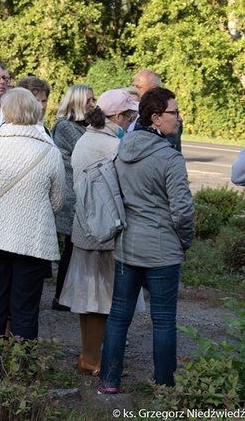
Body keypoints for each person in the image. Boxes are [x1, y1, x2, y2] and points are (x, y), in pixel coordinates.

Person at [99, 88, 194, 393]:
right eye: (174, 113)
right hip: (163, 250)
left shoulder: (122, 150)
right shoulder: (170, 159)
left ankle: (109, 380)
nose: (178, 119)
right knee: (164, 320)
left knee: (118, 316)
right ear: (156, 118)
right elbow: (182, 213)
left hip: (127, 245)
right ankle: (164, 385)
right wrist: (185, 241)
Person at [0, 87, 65, 340]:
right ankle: (23, 370)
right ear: (35, 111)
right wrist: (32, 213)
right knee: (25, 309)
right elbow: (57, 201)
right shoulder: (49, 150)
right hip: (32, 240)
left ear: (5, 111)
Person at [58, 89, 138, 376]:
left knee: (88, 299)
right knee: (101, 301)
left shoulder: (89, 137)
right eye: (130, 116)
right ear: (117, 116)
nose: (132, 121)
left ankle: (88, 356)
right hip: (105, 233)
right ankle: (92, 358)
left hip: (86, 228)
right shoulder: (110, 145)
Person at [51, 84, 95, 311]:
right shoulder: (65, 126)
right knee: (71, 246)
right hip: (71, 194)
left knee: (76, 246)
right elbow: (88, 151)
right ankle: (61, 297)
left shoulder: (83, 126)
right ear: (76, 102)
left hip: (81, 191)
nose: (92, 104)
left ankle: (68, 294)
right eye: (88, 100)